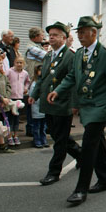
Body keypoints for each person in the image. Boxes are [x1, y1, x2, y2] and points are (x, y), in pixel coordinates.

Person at [47, 15, 106, 205]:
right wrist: (57, 91)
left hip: (100, 107)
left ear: (94, 32)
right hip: (86, 106)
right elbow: (72, 78)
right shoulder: (79, 54)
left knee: (89, 146)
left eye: (83, 32)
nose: (80, 35)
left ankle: (81, 189)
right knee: (98, 143)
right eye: (79, 32)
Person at [29, 22, 81, 186]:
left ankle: (54, 172)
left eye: (55, 35)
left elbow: (73, 81)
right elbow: (42, 78)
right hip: (48, 103)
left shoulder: (70, 56)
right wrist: (34, 94)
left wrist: (74, 104)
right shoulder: (48, 56)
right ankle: (81, 155)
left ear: (64, 38)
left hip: (62, 104)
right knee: (58, 135)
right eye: (50, 35)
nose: (51, 37)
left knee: (59, 141)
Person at [6, 56, 30, 146]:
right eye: (17, 62)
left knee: (16, 117)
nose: (19, 64)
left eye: (21, 63)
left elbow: (28, 81)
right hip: (10, 97)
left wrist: (26, 88)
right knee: (9, 117)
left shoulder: (25, 73)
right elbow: (5, 81)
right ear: (14, 63)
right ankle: (9, 136)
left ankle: (15, 135)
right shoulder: (9, 71)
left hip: (19, 97)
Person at [29, 65, 47, 148]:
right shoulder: (34, 83)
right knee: (36, 126)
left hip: (44, 107)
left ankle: (43, 139)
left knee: (43, 126)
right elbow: (33, 95)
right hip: (36, 107)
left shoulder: (45, 81)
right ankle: (37, 140)